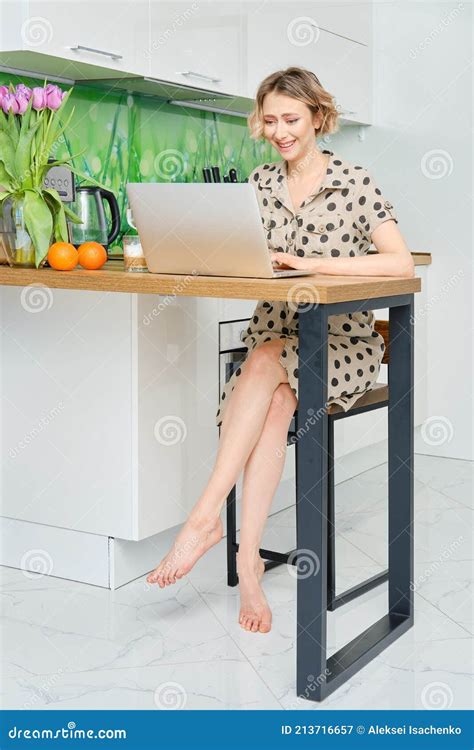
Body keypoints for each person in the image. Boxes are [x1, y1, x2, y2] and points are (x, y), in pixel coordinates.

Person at [146, 66, 415, 634]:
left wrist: (314, 264)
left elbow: (400, 263)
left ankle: (203, 517)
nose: (279, 131)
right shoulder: (260, 183)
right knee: (273, 399)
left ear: (319, 116)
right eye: (269, 120)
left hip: (340, 342)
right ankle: (247, 563)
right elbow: (237, 250)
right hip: (275, 336)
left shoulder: (355, 182)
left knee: (267, 360)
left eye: (290, 119)